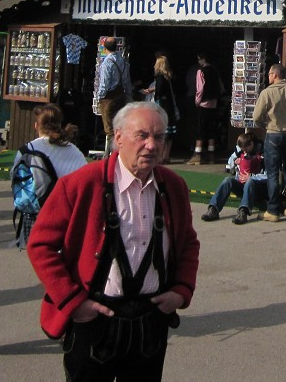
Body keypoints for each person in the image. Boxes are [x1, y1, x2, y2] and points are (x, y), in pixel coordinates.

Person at [28, 101, 200, 382]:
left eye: (158, 137)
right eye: (142, 135)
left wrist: (181, 290)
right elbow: (40, 245)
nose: (152, 145)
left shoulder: (173, 186)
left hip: (150, 320)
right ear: (118, 137)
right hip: (95, 319)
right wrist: (72, 301)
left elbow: (188, 242)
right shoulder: (81, 183)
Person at [11, 104, 88, 246]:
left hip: (38, 214)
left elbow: (15, 178)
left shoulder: (27, 150)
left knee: (40, 260)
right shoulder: (73, 150)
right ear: (60, 124)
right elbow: (86, 180)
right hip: (68, 214)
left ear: (36, 126)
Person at [251, 63, 286, 222]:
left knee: (273, 172)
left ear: (275, 75)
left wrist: (264, 124)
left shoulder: (267, 92)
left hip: (273, 133)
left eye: (269, 74)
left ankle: (273, 209)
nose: (268, 76)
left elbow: (256, 117)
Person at [200, 132, 266, 225]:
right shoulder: (240, 150)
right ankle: (214, 209)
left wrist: (251, 177)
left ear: (251, 144)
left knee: (250, 181)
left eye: (246, 149)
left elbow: (269, 175)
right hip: (241, 185)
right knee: (228, 180)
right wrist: (235, 162)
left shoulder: (264, 153)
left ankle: (243, 212)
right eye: (243, 150)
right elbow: (230, 163)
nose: (245, 152)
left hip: (258, 188)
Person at [95, 38, 132, 153]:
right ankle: (119, 151)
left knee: (109, 128)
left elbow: (104, 83)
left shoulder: (107, 62)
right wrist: (128, 95)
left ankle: (111, 152)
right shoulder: (123, 61)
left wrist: (100, 97)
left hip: (109, 97)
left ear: (104, 48)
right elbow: (127, 81)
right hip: (121, 95)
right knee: (119, 124)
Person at [187, 53, 222, 165]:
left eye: (199, 59)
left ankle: (197, 155)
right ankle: (211, 155)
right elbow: (220, 87)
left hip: (204, 103)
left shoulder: (201, 71)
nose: (198, 62)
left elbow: (200, 88)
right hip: (214, 103)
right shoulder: (215, 71)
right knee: (211, 128)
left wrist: (197, 101)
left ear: (204, 59)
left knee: (200, 129)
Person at [150, 53, 179, 165]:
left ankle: (161, 156)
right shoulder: (169, 77)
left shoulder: (159, 77)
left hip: (163, 106)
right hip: (170, 106)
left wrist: (155, 94)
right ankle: (166, 156)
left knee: (162, 133)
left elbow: (160, 92)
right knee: (170, 134)